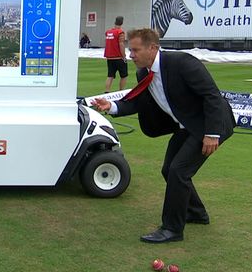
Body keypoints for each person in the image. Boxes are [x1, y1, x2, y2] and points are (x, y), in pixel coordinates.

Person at [91, 28, 235, 244]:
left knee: (179, 171)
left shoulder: (182, 63)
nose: (131, 55)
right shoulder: (144, 73)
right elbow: (139, 102)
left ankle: (172, 229)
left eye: (136, 50)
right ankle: (196, 213)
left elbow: (212, 97)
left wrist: (212, 134)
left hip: (209, 125)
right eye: (131, 50)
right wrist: (110, 106)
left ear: (153, 48)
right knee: (169, 170)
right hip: (187, 126)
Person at [104, 16, 127, 92]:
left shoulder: (108, 32)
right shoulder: (120, 32)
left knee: (110, 75)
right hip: (118, 57)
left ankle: (107, 91)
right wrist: (124, 56)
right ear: (122, 23)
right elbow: (121, 44)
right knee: (124, 75)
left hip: (109, 58)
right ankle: (121, 91)